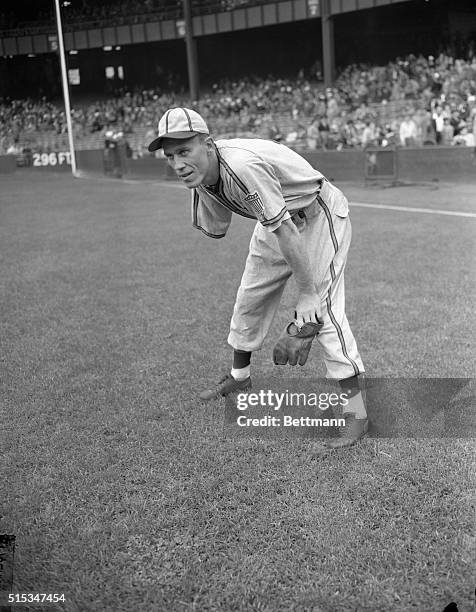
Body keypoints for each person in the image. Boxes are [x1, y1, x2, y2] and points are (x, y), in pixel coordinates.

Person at [148, 107, 367, 449]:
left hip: (317, 213)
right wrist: (201, 182)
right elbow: (219, 226)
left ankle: (357, 414)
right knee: (250, 296)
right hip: (276, 219)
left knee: (324, 313)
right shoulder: (202, 174)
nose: (177, 164)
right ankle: (240, 378)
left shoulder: (242, 166)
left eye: (184, 151)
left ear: (207, 144)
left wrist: (307, 295)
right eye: (171, 155)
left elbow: (286, 231)